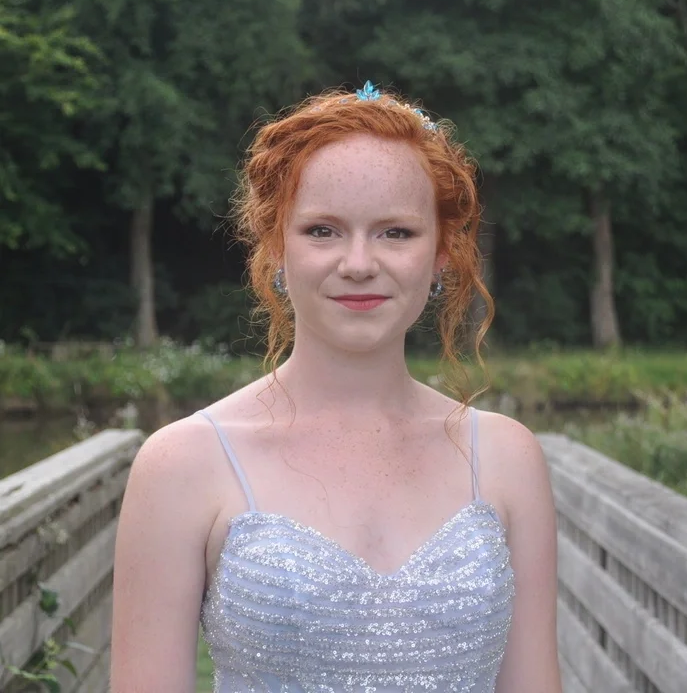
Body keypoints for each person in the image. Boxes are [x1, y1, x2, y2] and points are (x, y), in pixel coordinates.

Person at [110, 82, 562, 693]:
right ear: (276, 245)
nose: (358, 263)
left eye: (395, 233)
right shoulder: (183, 463)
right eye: (323, 230)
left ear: (442, 253)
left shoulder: (506, 458)